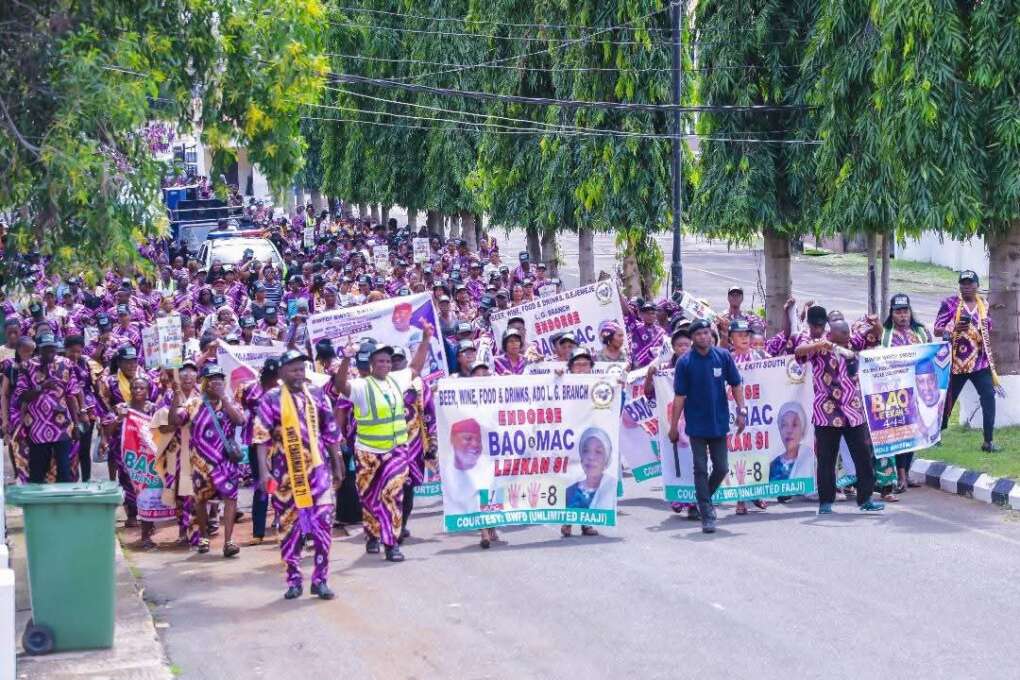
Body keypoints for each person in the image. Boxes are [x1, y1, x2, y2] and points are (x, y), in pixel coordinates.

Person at [336, 325, 433, 563]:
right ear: (371, 364)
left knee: (392, 496)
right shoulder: (361, 386)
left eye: (388, 361)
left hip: (397, 451)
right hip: (368, 453)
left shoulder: (396, 381)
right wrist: (347, 359)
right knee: (369, 498)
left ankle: (391, 544)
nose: (386, 365)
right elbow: (340, 386)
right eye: (380, 361)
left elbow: (416, 366)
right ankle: (372, 535)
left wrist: (426, 338)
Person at [253, 350, 344, 600]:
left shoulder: (316, 394)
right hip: (285, 476)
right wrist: (263, 471)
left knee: (324, 526)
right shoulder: (271, 399)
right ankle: (294, 580)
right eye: (293, 370)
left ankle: (320, 579)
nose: (298, 374)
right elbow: (261, 437)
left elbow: (330, 430)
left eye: (302, 369)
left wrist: (337, 462)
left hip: (318, 472)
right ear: (281, 373)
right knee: (289, 529)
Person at [794, 317, 885, 515]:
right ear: (832, 334)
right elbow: (798, 352)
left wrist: (876, 322)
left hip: (853, 411)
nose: (848, 339)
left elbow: (877, 333)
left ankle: (866, 498)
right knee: (827, 459)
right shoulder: (819, 346)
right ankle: (825, 502)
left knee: (863, 456)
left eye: (848, 336)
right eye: (843, 336)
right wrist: (820, 344)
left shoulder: (852, 344)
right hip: (826, 412)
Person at [667, 319, 746, 533]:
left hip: (719, 422)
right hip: (696, 425)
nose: (704, 337)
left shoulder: (723, 356)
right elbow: (679, 397)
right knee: (700, 468)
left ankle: (701, 501)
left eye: (707, 333)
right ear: (692, 337)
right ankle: (707, 513)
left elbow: (736, 384)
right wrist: (674, 427)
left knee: (721, 467)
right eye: (699, 333)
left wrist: (742, 410)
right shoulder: (685, 362)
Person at [169, 363, 246, 557]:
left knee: (230, 498)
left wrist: (224, 399)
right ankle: (203, 536)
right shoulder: (194, 403)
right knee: (201, 500)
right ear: (205, 383)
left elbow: (240, 420)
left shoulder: (230, 401)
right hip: (201, 462)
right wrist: (175, 396)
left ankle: (228, 541)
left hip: (225, 461)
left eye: (220, 379)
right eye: (212, 380)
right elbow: (175, 421)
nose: (217, 382)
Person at [933, 271, 1000, 452]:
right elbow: (937, 330)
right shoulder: (950, 303)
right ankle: (934, 436)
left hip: (979, 362)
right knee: (947, 400)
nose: (966, 287)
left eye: (970, 284)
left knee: (988, 397)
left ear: (977, 286)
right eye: (963, 283)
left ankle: (988, 441)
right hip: (956, 363)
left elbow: (989, 327)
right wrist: (953, 329)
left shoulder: (983, 305)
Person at [14, 333, 81, 483]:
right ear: (39, 349)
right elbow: (22, 396)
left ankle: (64, 505)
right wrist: (41, 387)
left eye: (53, 349)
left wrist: (76, 424)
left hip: (61, 426)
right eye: (46, 350)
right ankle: (38, 505)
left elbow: (71, 396)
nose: (50, 353)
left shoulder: (66, 364)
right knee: (37, 471)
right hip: (37, 427)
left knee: (64, 470)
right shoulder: (27, 366)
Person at [565, 427, 617, 510]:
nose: (591, 457)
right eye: (586, 450)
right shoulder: (569, 491)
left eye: (598, 451)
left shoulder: (610, 487)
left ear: (607, 459)